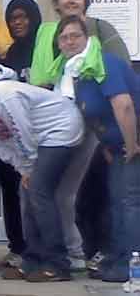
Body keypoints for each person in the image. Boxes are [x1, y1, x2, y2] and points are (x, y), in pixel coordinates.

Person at [0, 49, 84, 282]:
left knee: (38, 192)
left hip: (61, 128)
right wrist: (21, 167)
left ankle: (58, 264)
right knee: (26, 194)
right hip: (38, 139)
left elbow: (21, 130)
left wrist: (29, 166)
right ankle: (32, 260)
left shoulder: (0, 93)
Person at [30, 0, 131, 271]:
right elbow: (50, 80)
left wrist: (119, 137)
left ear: (85, 2)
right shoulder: (58, 45)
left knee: (103, 194)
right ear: (57, 4)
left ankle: (108, 253)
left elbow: (117, 76)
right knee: (70, 193)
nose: (71, 0)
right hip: (73, 130)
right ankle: (82, 251)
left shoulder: (101, 32)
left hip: (105, 127)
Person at [52, 15, 140, 283]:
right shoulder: (77, 72)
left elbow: (123, 105)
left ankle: (131, 265)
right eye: (64, 37)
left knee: (127, 202)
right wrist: (109, 145)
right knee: (116, 202)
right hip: (118, 146)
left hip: (133, 142)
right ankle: (118, 258)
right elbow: (93, 116)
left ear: (88, 39)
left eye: (75, 36)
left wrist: (131, 144)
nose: (70, 42)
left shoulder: (104, 63)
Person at [0, 0, 43, 268]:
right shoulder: (11, 54)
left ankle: (39, 247)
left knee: (38, 190)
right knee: (10, 189)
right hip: (11, 134)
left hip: (40, 132)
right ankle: (17, 246)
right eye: (12, 18)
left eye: (23, 16)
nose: (18, 22)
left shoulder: (46, 47)